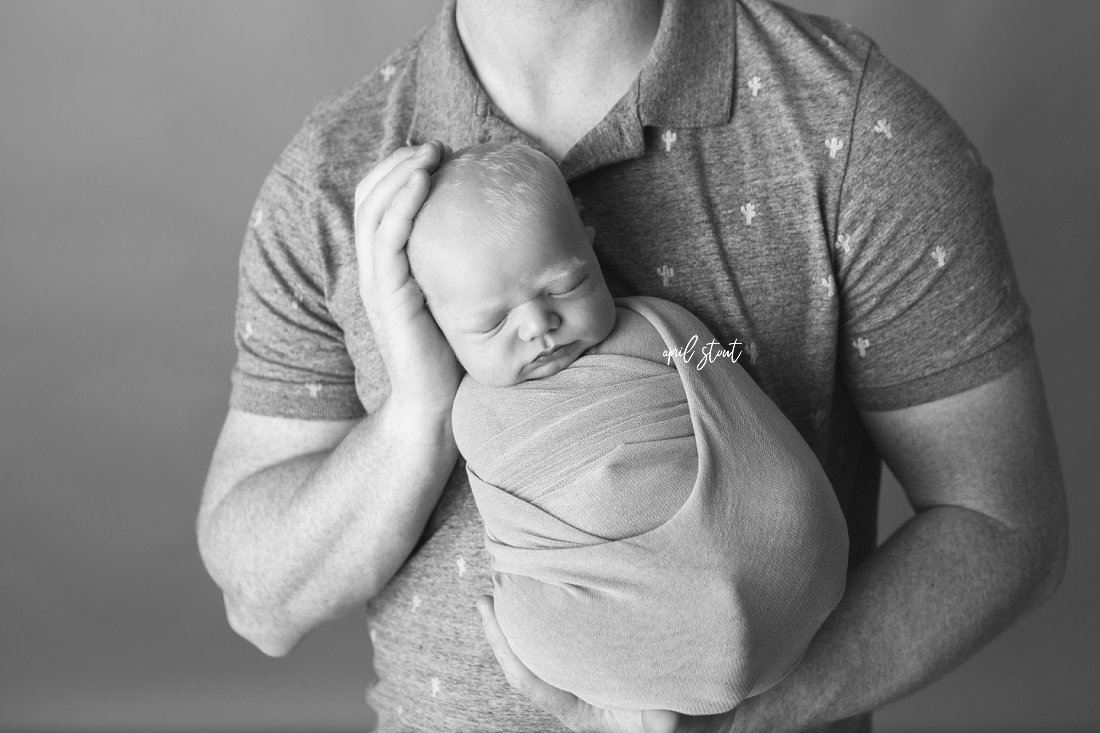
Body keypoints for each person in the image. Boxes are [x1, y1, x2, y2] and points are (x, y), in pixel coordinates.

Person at [196, 1, 1068, 732]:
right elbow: (259, 601)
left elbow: (1006, 525)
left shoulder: (854, 132)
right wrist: (417, 411)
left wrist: (729, 716)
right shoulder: (332, 178)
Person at [407, 141, 849, 714]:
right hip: (602, 607)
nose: (539, 325)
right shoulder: (473, 412)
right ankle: (642, 702)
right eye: (490, 324)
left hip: (760, 569)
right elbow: (518, 541)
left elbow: (738, 408)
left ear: (590, 249)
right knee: (529, 623)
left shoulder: (664, 328)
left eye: (563, 286)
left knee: (788, 517)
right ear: (438, 322)